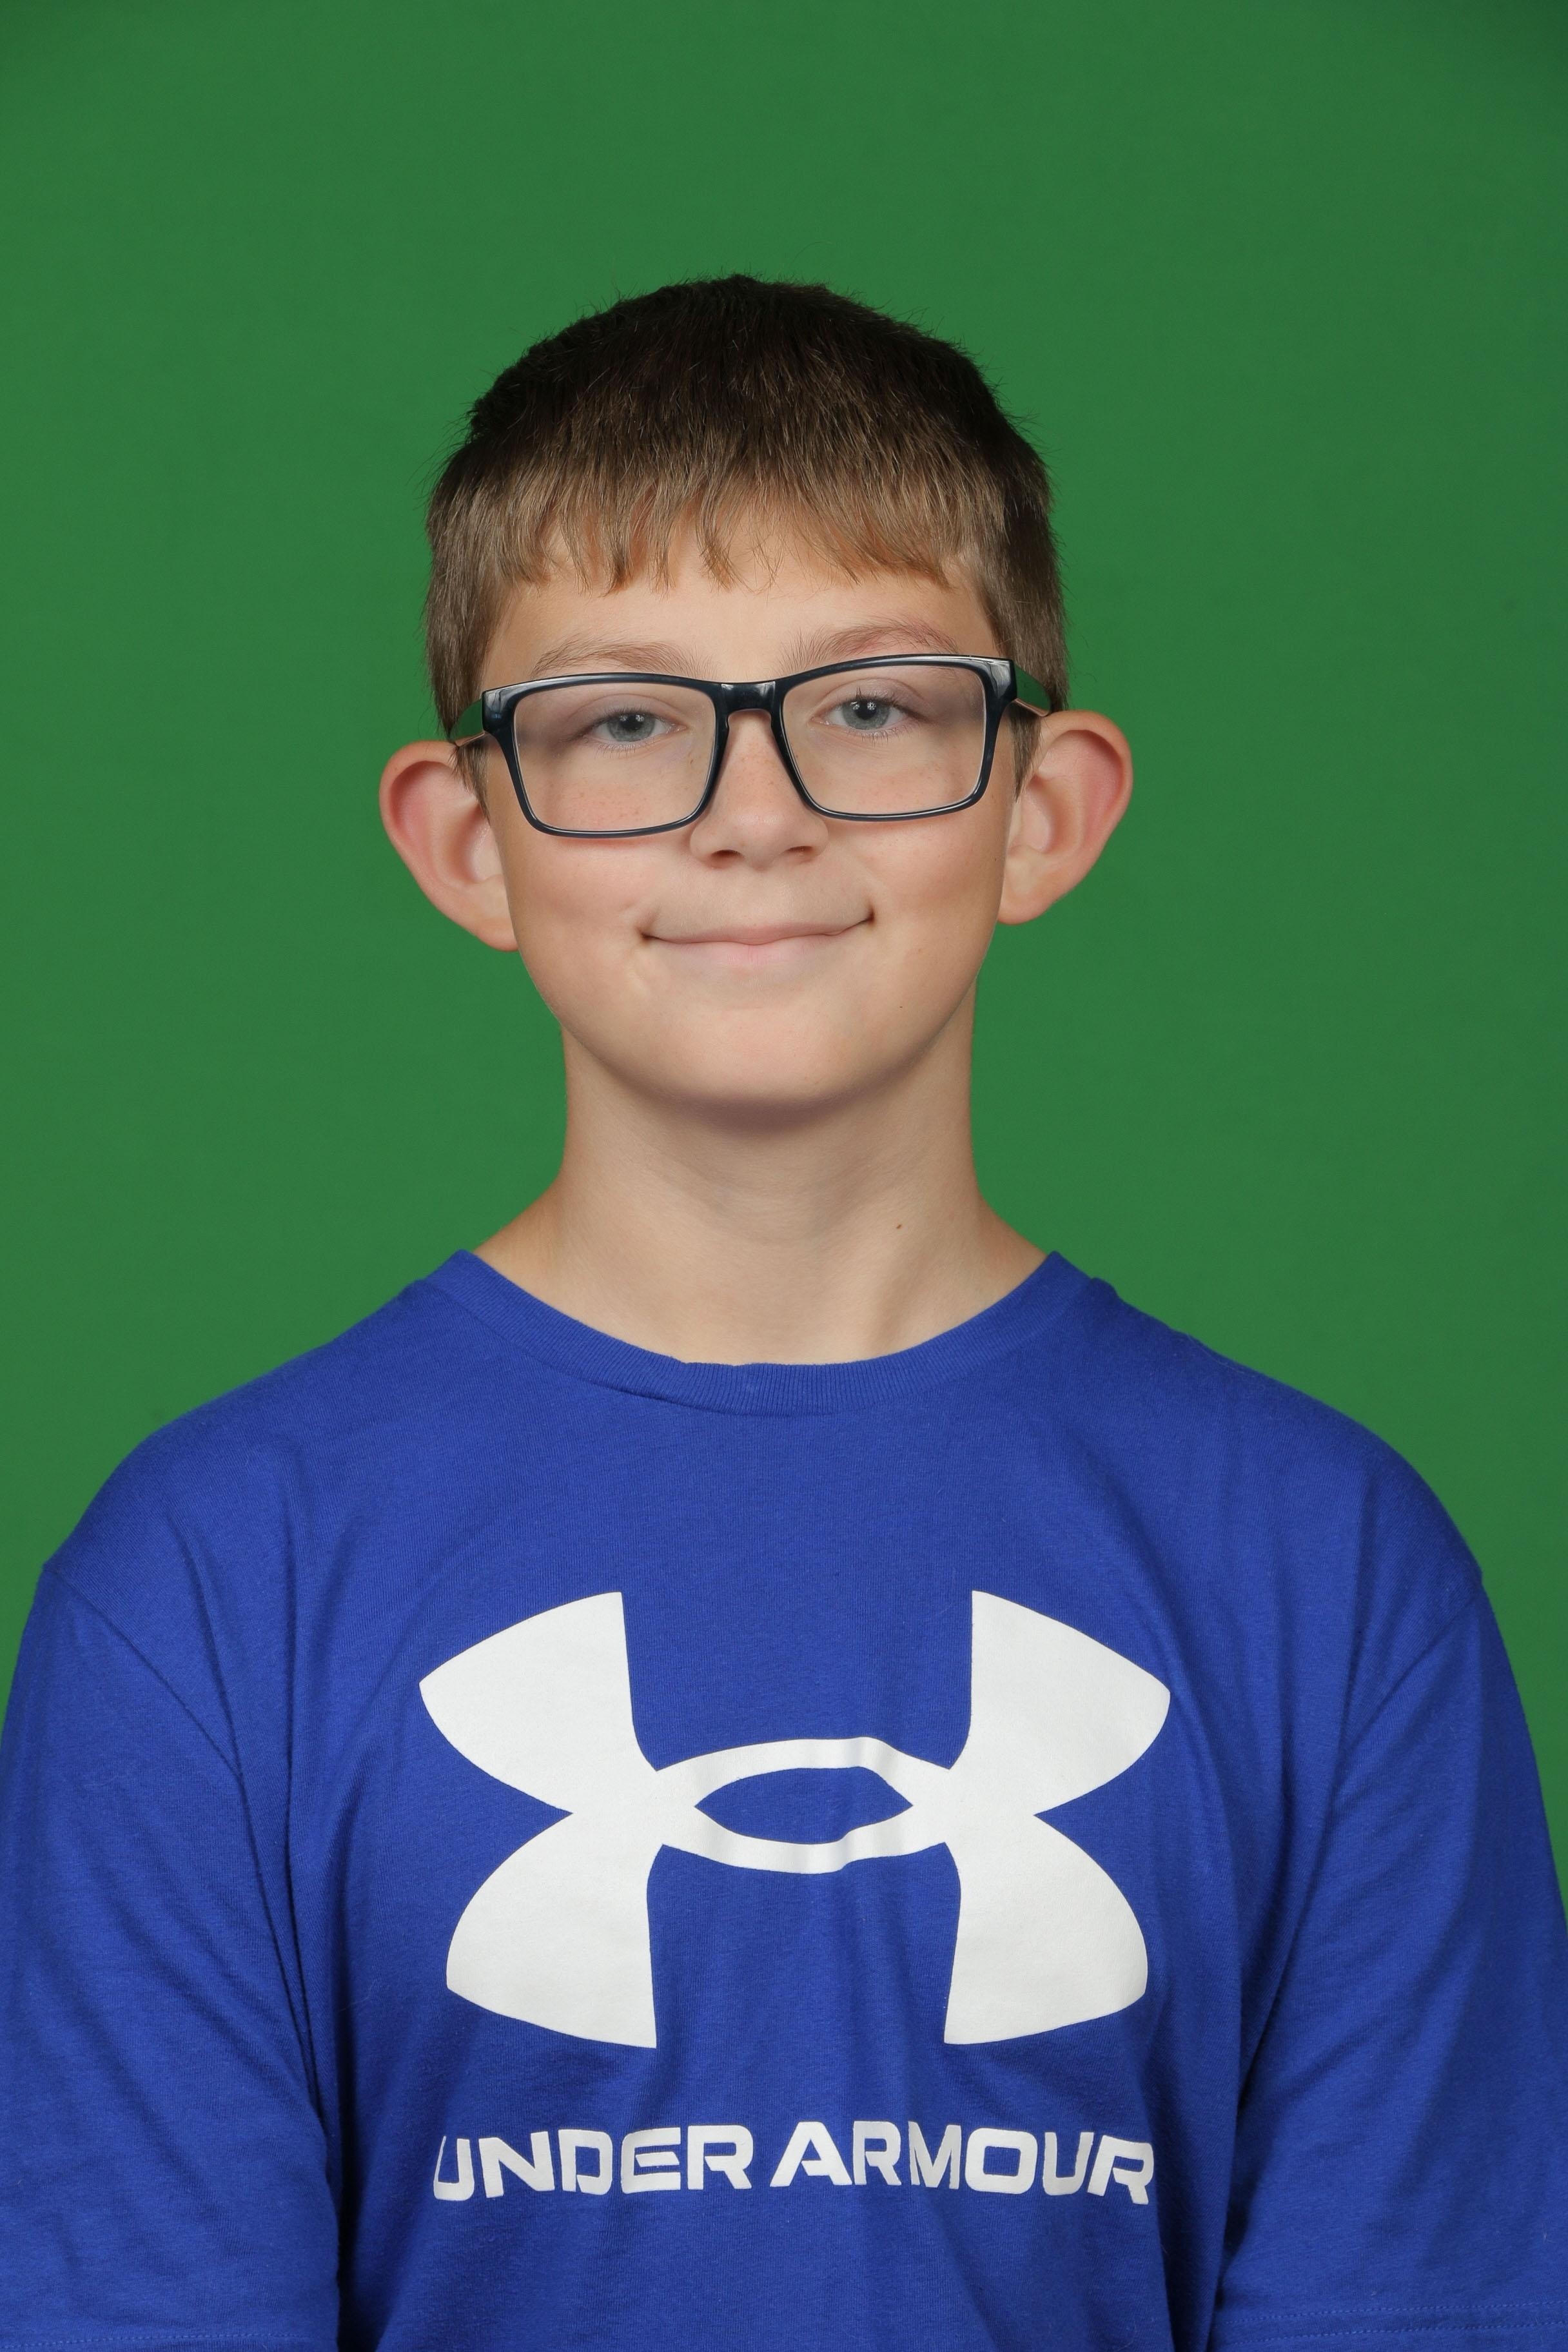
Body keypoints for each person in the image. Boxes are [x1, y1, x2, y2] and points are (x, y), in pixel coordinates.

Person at [0, 275, 1563, 2352]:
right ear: (471, 844)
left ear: (1044, 809)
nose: (757, 812)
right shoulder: (211, 1583)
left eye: (876, 706)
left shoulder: (1330, 1575)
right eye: (625, 721)